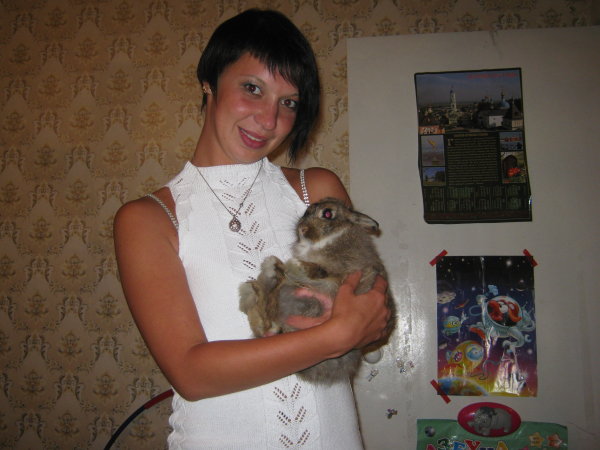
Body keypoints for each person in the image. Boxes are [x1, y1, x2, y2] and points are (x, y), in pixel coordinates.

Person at [113, 9, 391, 449]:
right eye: (253, 89)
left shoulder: (317, 193)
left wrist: (355, 327)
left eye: (289, 102)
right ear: (209, 82)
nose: (269, 119)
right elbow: (192, 374)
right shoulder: (149, 219)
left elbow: (374, 316)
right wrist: (336, 334)